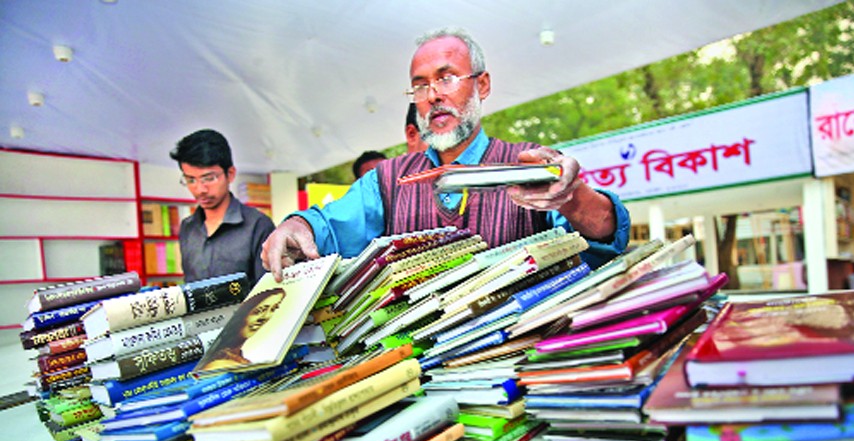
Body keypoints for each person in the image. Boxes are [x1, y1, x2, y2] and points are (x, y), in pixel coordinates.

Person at [262, 28, 630, 282]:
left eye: (447, 77)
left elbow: (605, 239)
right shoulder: (388, 180)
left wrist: (572, 197)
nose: (433, 95)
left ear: (482, 84)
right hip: (413, 372)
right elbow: (326, 228)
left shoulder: (527, 165)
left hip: (513, 370)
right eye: (420, 85)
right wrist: (296, 227)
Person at [170, 129, 275, 285]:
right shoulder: (188, 228)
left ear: (230, 174)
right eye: (191, 180)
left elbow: (268, 292)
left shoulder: (258, 226)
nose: (200, 189)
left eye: (209, 178)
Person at [195, 287, 285, 371]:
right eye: (258, 311)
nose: (266, 317)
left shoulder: (240, 357)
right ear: (242, 313)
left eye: (273, 309)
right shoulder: (219, 364)